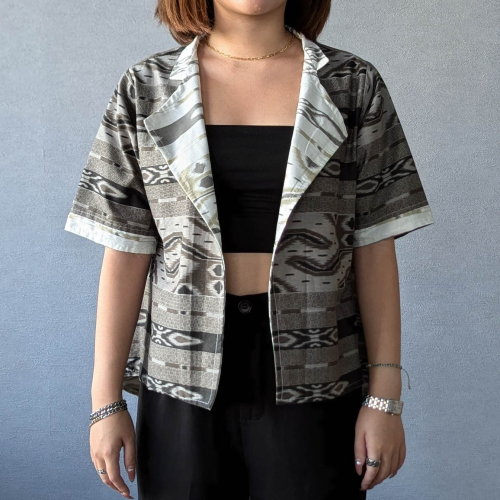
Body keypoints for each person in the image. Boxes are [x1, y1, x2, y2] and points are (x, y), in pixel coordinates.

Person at [65, 1, 435, 499]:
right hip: (180, 369)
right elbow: (125, 252)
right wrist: (105, 403)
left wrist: (385, 397)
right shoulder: (146, 88)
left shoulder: (352, 85)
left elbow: (374, 245)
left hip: (319, 365)